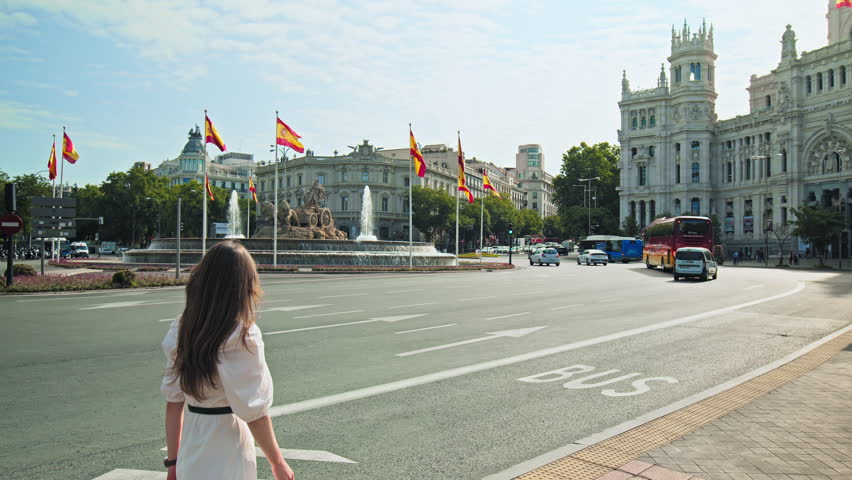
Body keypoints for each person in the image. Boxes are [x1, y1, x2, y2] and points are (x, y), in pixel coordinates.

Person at [161, 241, 295, 480]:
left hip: (192, 443)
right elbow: (254, 411)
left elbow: (173, 403)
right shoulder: (241, 335)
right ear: (243, 286)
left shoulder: (182, 328)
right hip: (229, 446)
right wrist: (278, 462)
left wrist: (173, 462)